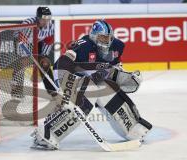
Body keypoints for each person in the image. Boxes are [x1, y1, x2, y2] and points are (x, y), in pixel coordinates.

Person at [30, 20, 152, 150]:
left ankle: (132, 127)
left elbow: (112, 72)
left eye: (108, 38)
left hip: (93, 82)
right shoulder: (83, 45)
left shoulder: (116, 47)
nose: (105, 41)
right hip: (75, 82)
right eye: (102, 37)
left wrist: (125, 78)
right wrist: (65, 86)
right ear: (94, 35)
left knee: (107, 89)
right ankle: (47, 134)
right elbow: (62, 64)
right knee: (89, 91)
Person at [11, 6, 56, 99]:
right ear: (38, 18)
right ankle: (16, 91)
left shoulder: (50, 26)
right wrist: (26, 56)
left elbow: (48, 42)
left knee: (45, 63)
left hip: (37, 42)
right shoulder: (28, 24)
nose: (46, 21)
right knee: (22, 63)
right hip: (21, 41)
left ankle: (53, 90)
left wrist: (43, 56)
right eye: (44, 19)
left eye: (48, 18)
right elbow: (22, 41)